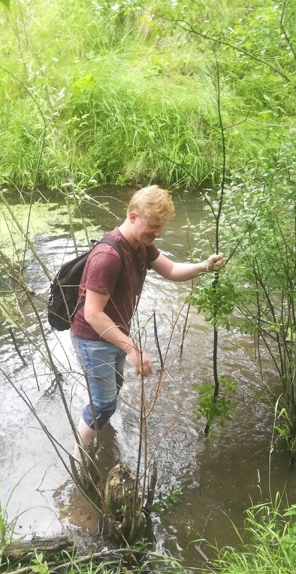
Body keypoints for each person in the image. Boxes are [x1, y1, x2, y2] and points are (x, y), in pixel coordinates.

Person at [70, 185, 225, 460]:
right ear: (132, 217)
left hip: (115, 334)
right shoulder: (108, 257)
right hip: (93, 338)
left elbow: (173, 270)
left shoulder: (142, 245)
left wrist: (204, 266)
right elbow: (93, 314)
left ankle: (98, 432)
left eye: (161, 226)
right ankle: (78, 455)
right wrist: (133, 349)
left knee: (111, 392)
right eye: (153, 226)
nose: (159, 233)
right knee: (104, 403)